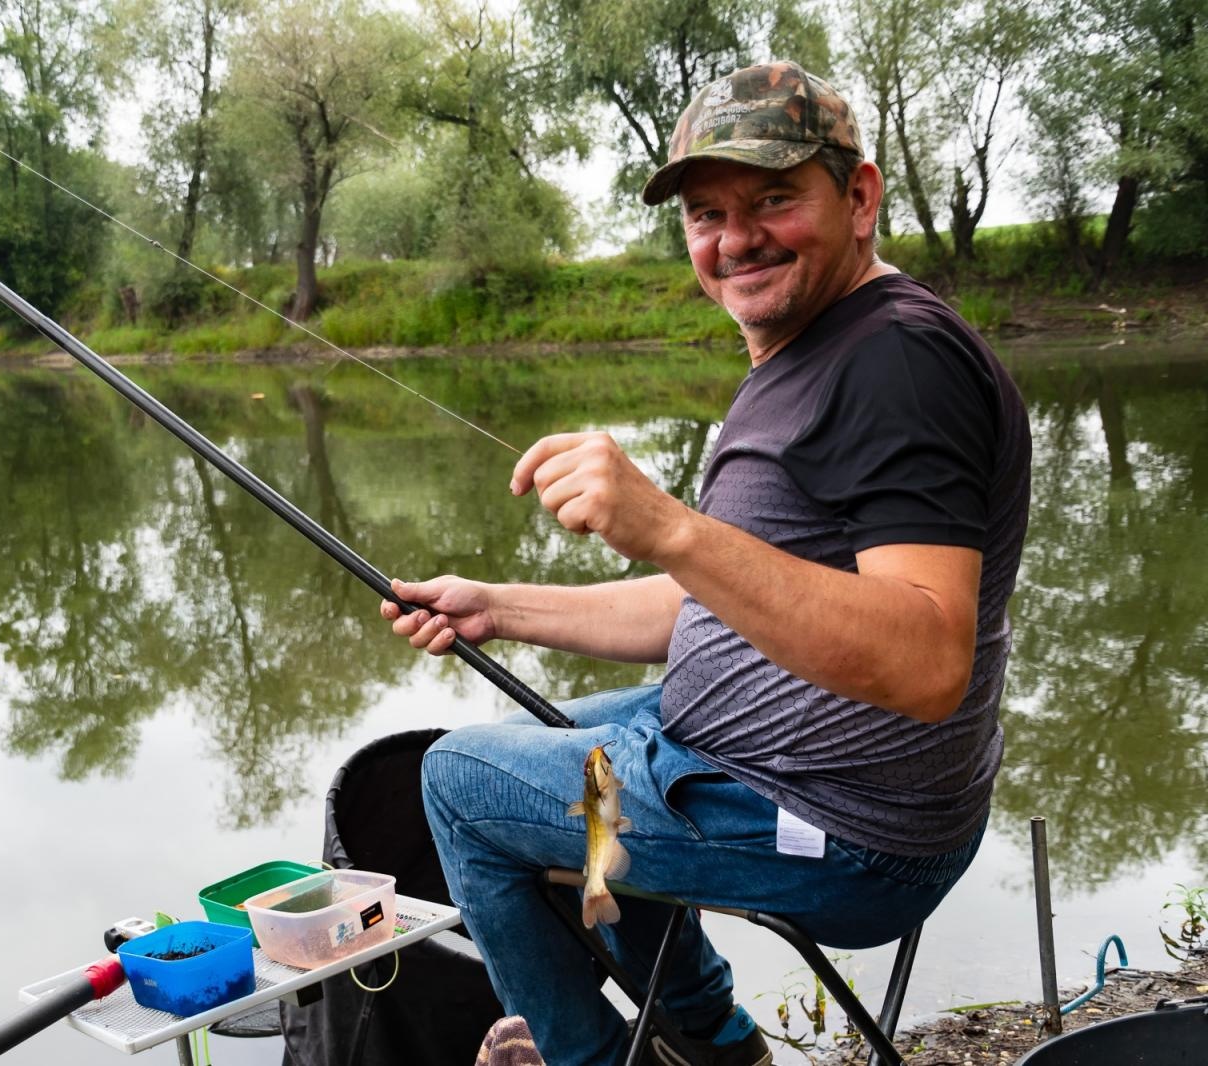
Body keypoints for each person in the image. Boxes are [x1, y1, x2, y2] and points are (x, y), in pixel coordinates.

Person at [378, 61, 1032, 1066]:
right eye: (705, 214)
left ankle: (594, 1055)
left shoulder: (897, 362)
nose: (735, 239)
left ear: (858, 199)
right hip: (747, 765)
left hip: (845, 828)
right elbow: (709, 602)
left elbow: (928, 658)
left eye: (774, 198)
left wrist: (667, 522)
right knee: (554, 750)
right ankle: (710, 1042)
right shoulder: (818, 345)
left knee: (460, 780)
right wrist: (495, 605)